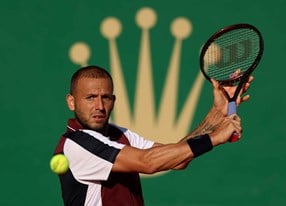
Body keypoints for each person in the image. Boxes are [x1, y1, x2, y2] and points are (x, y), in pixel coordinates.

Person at [53, 65, 252, 206]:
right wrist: (216, 137)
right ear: (71, 102)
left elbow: (176, 159)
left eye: (105, 97)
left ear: (113, 100)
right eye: (90, 98)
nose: (99, 106)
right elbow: (148, 162)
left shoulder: (119, 134)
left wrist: (217, 112)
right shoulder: (76, 145)